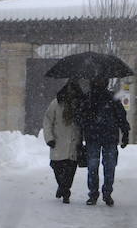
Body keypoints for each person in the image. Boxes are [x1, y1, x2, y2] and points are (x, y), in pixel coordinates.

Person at [79, 77, 130, 206]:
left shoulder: (109, 98)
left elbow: (121, 116)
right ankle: (96, 193)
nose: (99, 83)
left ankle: (104, 193)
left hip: (104, 137)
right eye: (97, 81)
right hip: (98, 137)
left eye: (101, 81)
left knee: (107, 167)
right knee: (96, 167)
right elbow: (81, 118)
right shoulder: (89, 98)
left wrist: (125, 132)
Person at [43, 81, 84, 204]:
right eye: (70, 90)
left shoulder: (81, 105)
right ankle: (62, 186)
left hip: (73, 143)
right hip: (58, 142)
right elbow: (47, 120)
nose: (72, 93)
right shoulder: (56, 103)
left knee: (70, 171)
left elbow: (84, 122)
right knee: (57, 166)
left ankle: (65, 192)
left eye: (74, 90)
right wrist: (49, 138)